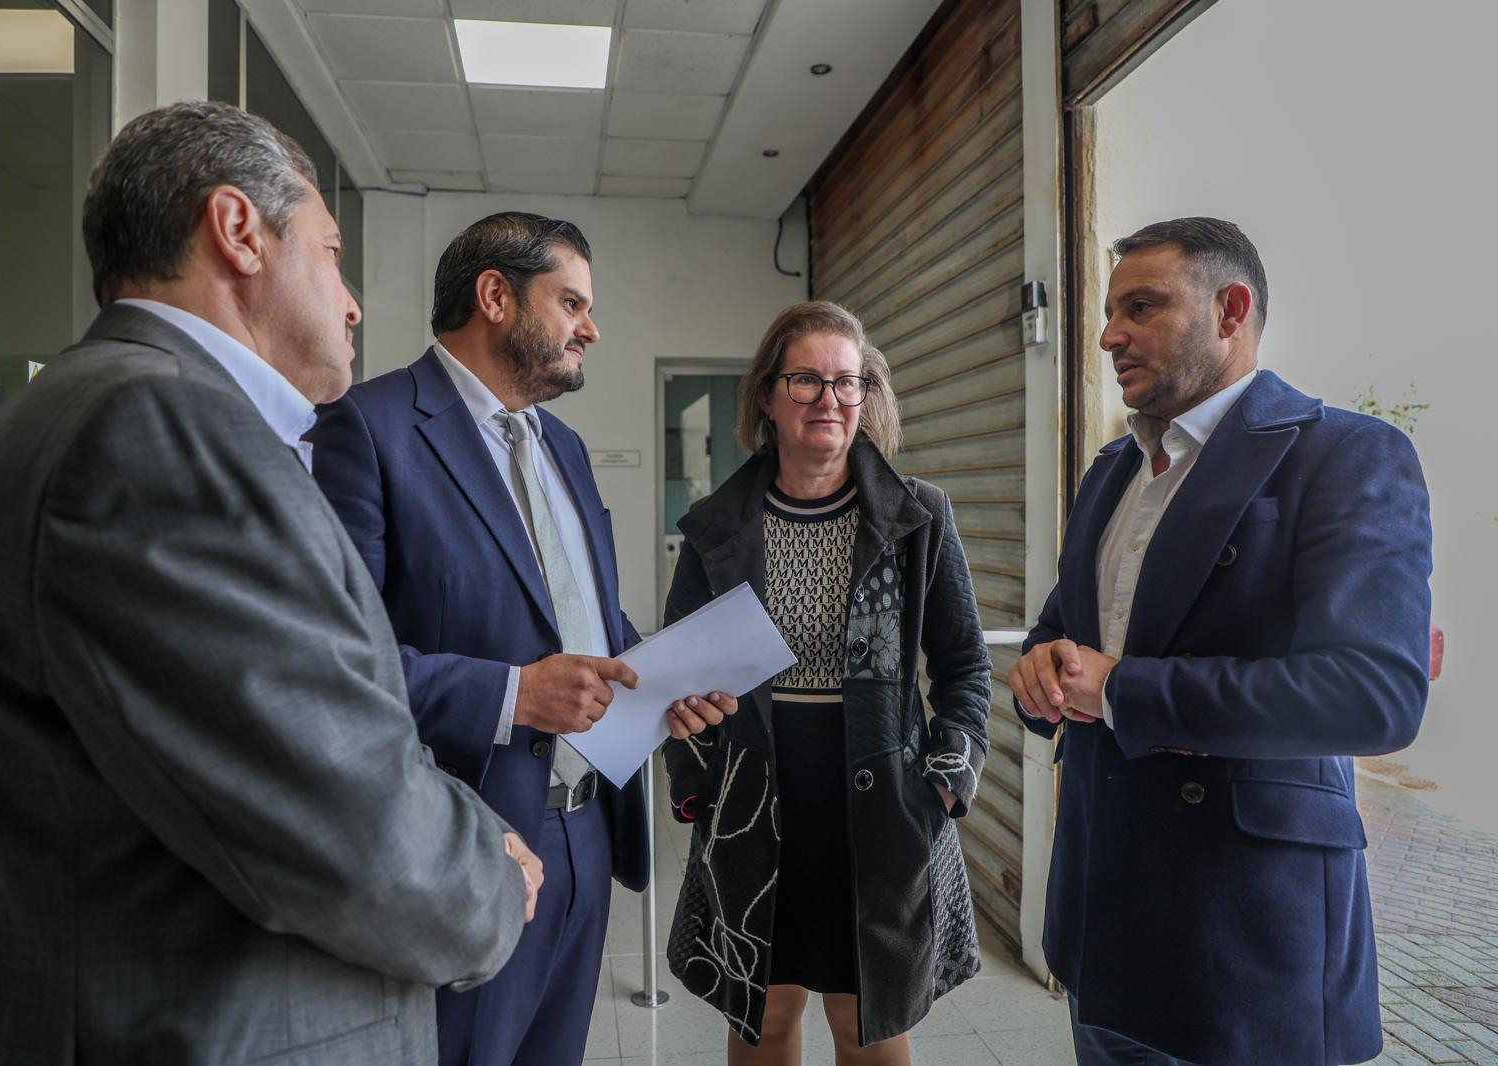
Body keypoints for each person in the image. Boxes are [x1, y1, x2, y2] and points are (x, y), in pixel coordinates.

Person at [0, 101, 539, 1066]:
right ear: (239, 230)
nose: (353, 302)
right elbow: (344, 820)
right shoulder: (158, 429)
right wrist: (490, 878)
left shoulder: (90, 412)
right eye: (331, 253)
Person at [306, 210, 736, 1066]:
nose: (592, 329)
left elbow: (587, 618)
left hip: (587, 829)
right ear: (495, 296)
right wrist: (514, 695)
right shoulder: (368, 428)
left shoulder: (563, 447)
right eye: (572, 303)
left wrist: (661, 679)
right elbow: (332, 664)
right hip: (469, 837)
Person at [1009, 217, 1432, 1066]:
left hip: (1246, 942)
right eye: (1109, 311)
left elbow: (1373, 696)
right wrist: (1041, 670)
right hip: (1098, 922)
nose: (1109, 335)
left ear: (1230, 310)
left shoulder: (1345, 454)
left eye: (1141, 307)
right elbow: (1067, 632)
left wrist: (1120, 690)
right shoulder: (1112, 470)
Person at [661, 301, 993, 1065]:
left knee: (865, 1018)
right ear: (767, 397)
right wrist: (695, 787)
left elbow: (965, 664)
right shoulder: (715, 527)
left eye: (849, 382)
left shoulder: (918, 519)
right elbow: (680, 678)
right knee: (765, 1013)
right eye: (806, 380)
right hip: (754, 802)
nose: (830, 400)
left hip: (880, 806)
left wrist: (945, 783)